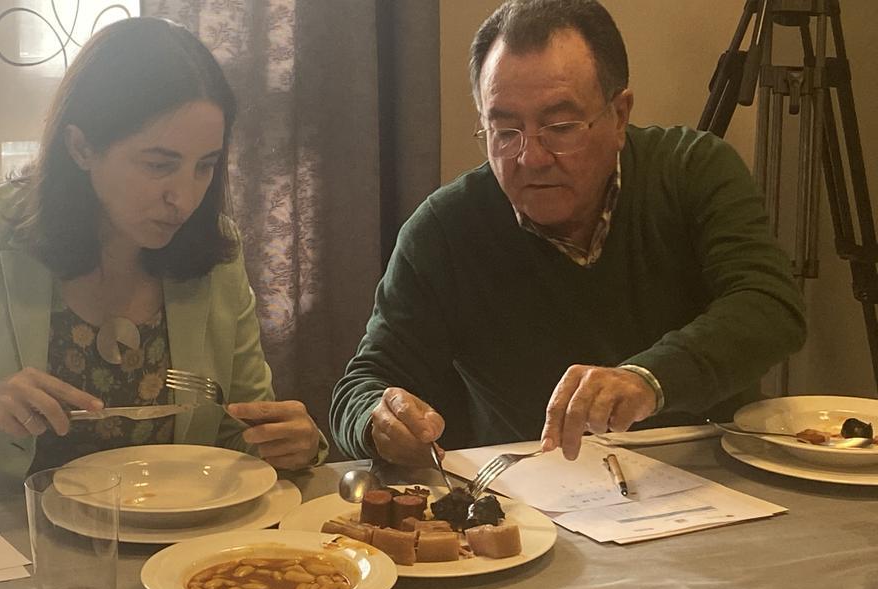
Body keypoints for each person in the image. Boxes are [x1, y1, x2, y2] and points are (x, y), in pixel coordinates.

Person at [0, 17, 325, 491]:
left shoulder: (215, 252)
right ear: (80, 148)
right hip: (6, 550)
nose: (185, 198)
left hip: (176, 552)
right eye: (158, 164)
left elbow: (241, 433)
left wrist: (296, 444)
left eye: (204, 166)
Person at [330, 0, 805, 467]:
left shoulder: (692, 170)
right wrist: (378, 421)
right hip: (537, 510)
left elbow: (769, 305)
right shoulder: (444, 230)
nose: (530, 158)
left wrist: (648, 379)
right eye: (505, 131)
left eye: (559, 127)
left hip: (710, 484)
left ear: (619, 116)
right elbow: (363, 384)